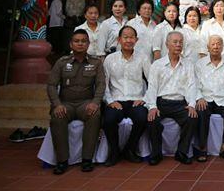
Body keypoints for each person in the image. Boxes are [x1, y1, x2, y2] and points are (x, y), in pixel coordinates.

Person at [46, 29, 105, 175]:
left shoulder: (96, 63)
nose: (80, 44)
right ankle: (62, 161)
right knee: (57, 117)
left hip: (85, 103)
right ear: (71, 44)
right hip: (66, 104)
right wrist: (57, 104)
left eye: (83, 41)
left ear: (88, 44)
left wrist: (95, 102)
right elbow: (51, 85)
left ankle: (87, 159)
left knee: (95, 115)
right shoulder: (61, 62)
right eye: (77, 41)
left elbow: (101, 85)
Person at [145, 30, 198, 166]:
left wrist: (191, 104)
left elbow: (192, 86)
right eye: (175, 42)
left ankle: (182, 152)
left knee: (192, 117)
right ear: (167, 44)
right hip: (161, 102)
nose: (178, 45)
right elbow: (152, 87)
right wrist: (152, 106)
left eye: (181, 42)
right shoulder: (157, 65)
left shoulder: (188, 64)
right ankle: (156, 153)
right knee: (152, 119)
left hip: (180, 103)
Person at [102, 25, 150, 166]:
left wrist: (144, 99)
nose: (128, 40)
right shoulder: (110, 59)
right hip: (116, 99)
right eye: (125, 37)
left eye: (131, 37)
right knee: (109, 119)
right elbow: (104, 83)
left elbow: (152, 81)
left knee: (142, 118)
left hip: (136, 100)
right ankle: (114, 151)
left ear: (136, 40)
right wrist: (110, 101)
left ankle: (130, 149)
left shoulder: (143, 58)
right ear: (119, 40)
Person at [193, 35, 224, 162]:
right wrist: (199, 98)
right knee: (200, 110)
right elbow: (195, 84)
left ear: (222, 47)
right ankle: (202, 147)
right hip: (206, 99)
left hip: (223, 99)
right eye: (213, 44)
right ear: (208, 47)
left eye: (219, 44)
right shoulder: (200, 64)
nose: (216, 47)